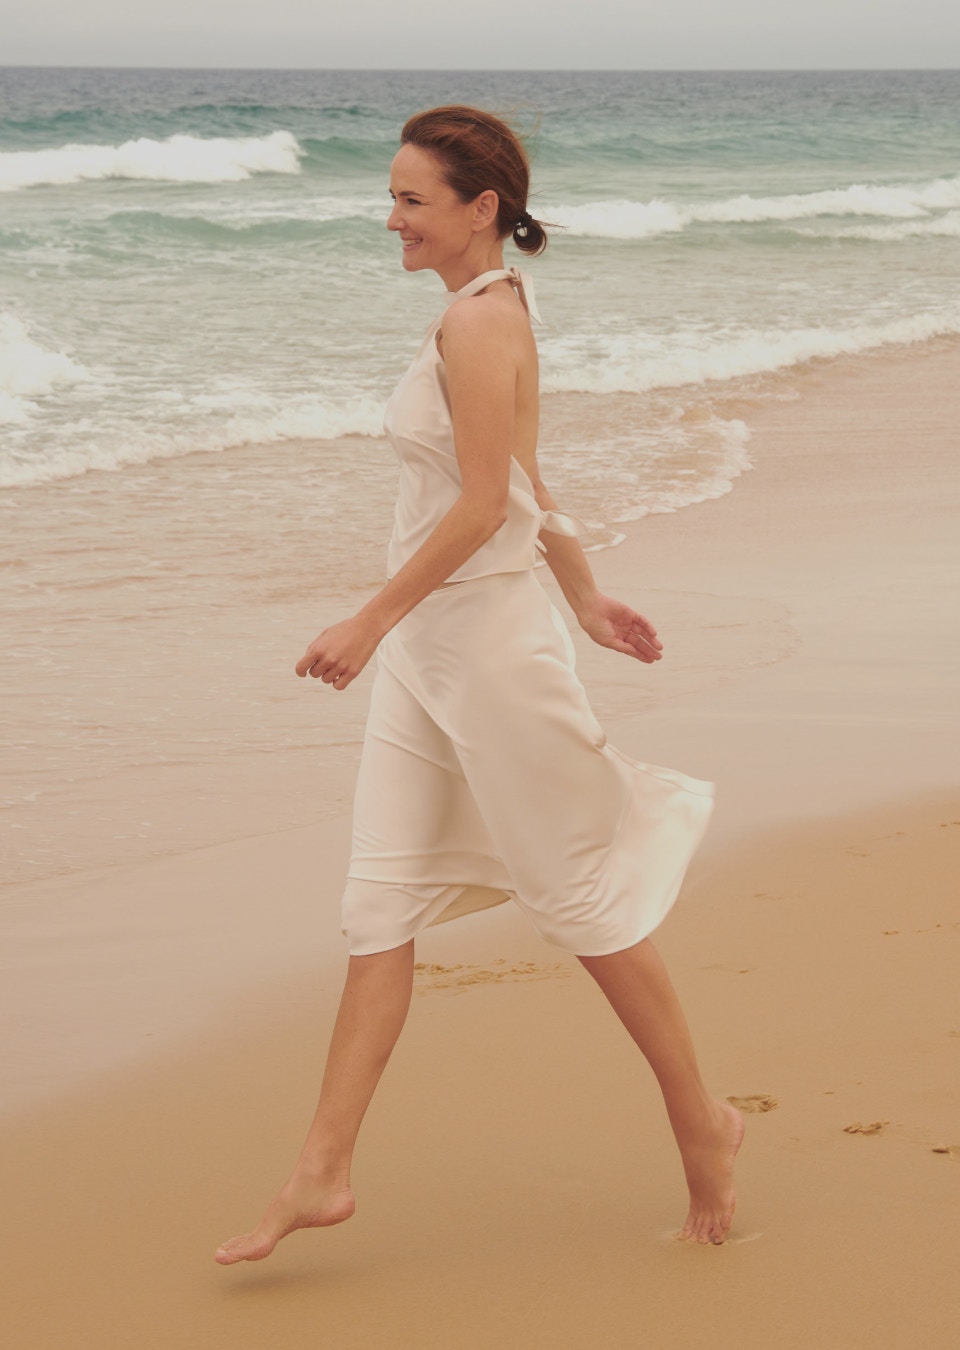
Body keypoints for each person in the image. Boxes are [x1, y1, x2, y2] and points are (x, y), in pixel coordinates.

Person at [215, 105, 743, 1264]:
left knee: (583, 901)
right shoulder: (484, 313)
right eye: (392, 197)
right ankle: (321, 1173)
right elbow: (527, 481)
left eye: (412, 199)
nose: (392, 218)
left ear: (480, 208)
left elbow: (483, 502)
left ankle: (701, 1121)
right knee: (379, 905)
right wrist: (588, 595)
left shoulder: (478, 323)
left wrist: (369, 617)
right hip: (431, 657)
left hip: (489, 656)